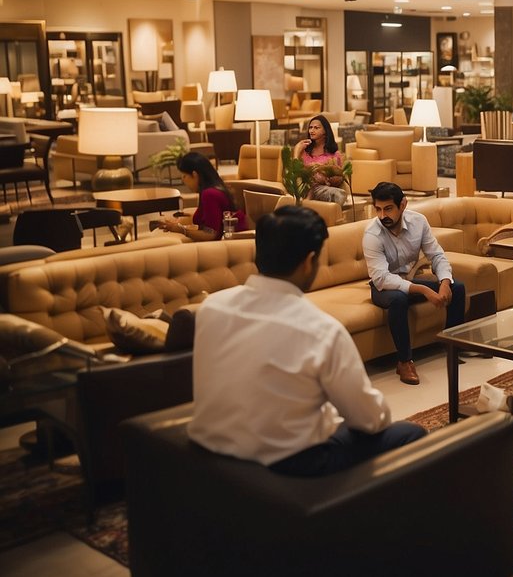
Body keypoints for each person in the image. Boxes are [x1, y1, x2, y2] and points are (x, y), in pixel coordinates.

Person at [189, 206, 426, 476]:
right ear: (308, 261)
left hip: (209, 447)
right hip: (287, 464)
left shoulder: (212, 306)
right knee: (410, 434)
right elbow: (370, 419)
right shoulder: (320, 329)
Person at [363, 181, 466, 385]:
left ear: (403, 205)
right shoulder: (372, 234)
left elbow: (436, 255)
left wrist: (444, 282)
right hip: (384, 287)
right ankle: (404, 361)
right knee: (399, 299)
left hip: (408, 280)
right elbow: (381, 277)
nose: (383, 216)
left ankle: (453, 345)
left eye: (388, 209)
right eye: (378, 209)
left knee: (458, 287)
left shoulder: (418, 222)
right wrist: (424, 290)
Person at [158, 151, 247, 241]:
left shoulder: (210, 194)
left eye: (184, 176)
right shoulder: (215, 187)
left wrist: (182, 230)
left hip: (223, 245)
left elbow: (211, 235)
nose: (183, 180)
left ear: (194, 174)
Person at [293, 115, 346, 204]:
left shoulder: (334, 154)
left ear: (325, 131)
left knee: (339, 194)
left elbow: (340, 176)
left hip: (324, 189)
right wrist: (296, 151)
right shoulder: (303, 150)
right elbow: (294, 172)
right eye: (310, 127)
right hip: (305, 188)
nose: (312, 131)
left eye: (316, 128)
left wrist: (330, 179)